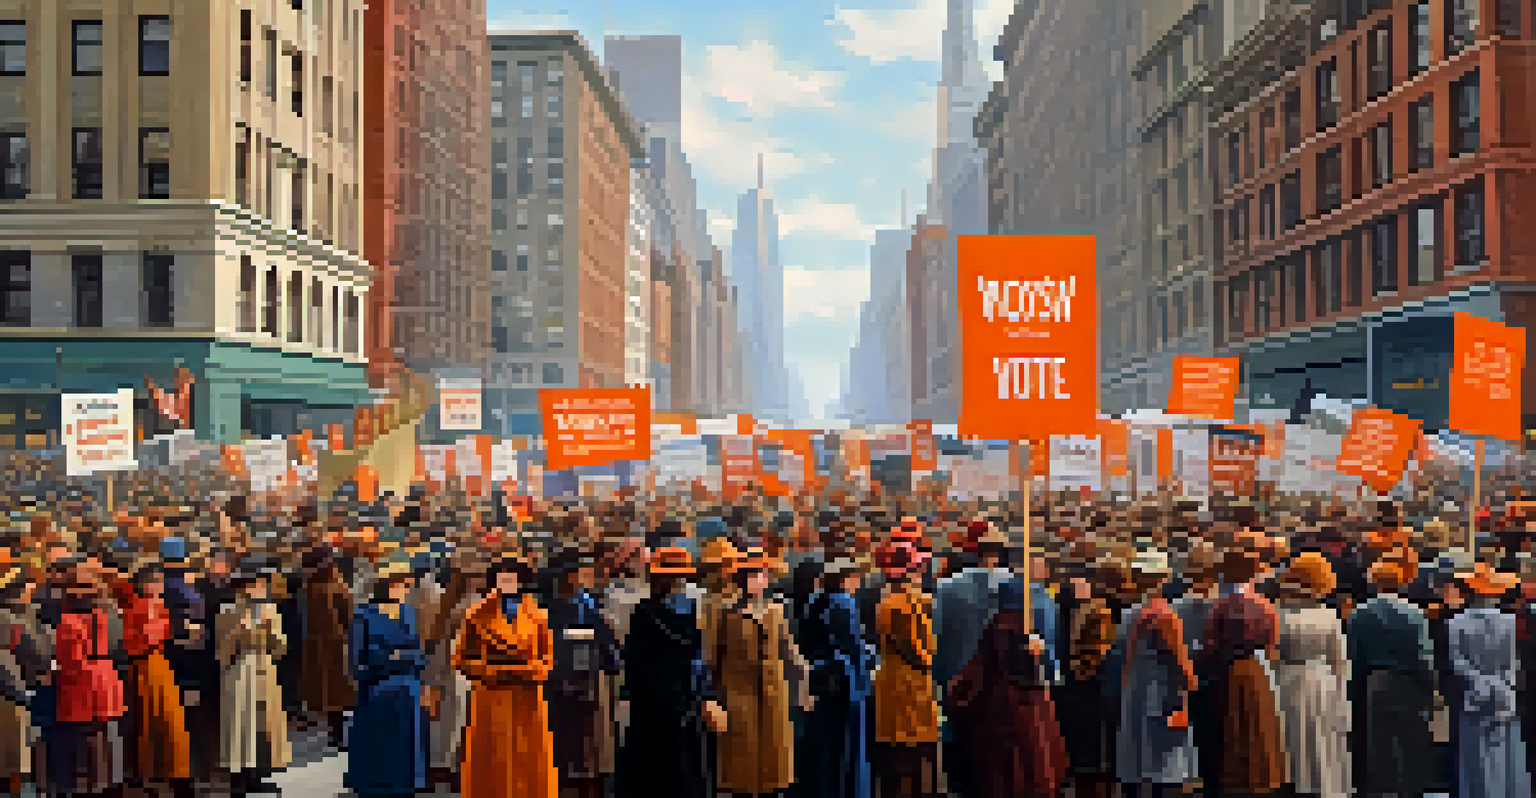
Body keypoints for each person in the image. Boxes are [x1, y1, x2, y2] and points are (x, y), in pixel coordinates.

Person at [945, 576, 1067, 798]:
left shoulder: (1000, 628)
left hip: (1004, 724)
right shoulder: (1026, 631)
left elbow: (971, 682)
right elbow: (1052, 675)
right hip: (1030, 720)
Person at [615, 546, 721, 798]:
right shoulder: (694, 610)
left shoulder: (643, 611)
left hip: (651, 701)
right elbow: (699, 655)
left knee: (652, 767)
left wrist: (628, 692)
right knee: (683, 764)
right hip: (681, 697)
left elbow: (633, 659)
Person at [453, 550, 557, 798]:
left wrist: (532, 671)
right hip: (492, 697)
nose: (508, 583)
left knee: (528, 760)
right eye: (503, 578)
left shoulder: (537, 616)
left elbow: (548, 658)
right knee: (492, 761)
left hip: (526, 699)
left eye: (513, 578)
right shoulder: (476, 615)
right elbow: (461, 659)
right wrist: (492, 672)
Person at [707, 546, 809, 797]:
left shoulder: (776, 611)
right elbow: (712, 658)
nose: (759, 580)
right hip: (737, 699)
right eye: (753, 575)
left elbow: (791, 654)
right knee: (741, 770)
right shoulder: (725, 613)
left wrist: (802, 690)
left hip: (774, 699)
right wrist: (711, 696)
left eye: (762, 575)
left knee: (774, 771)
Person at [1347, 558, 1437, 797]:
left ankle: (1381, 789)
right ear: (1402, 583)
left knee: (1379, 743)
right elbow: (1423, 655)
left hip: (1374, 682)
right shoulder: (1415, 613)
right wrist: (1431, 689)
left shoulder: (1360, 613)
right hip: (1410, 681)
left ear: (1373, 582)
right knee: (1413, 740)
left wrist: (1354, 691)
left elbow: (1354, 657)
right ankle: (1413, 789)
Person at [1203, 538, 1285, 796]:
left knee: (1233, 728)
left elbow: (1209, 644)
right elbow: (1274, 646)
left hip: (1229, 670)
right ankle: (1262, 778)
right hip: (1258, 669)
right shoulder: (1265, 606)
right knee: (1260, 728)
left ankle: (1235, 778)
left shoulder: (1221, 605)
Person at [1116, 549, 1198, 798]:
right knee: (1166, 765)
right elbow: (1180, 661)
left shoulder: (1129, 613)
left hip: (1134, 688)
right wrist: (1192, 686)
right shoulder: (1164, 614)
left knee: (1138, 760)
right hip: (1162, 693)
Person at [346, 556, 429, 798]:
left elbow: (418, 652)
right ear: (387, 584)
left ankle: (406, 786)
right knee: (378, 745)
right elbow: (357, 662)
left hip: (407, 688)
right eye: (401, 583)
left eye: (407, 584)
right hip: (377, 691)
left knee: (406, 744)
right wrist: (386, 661)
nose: (406, 589)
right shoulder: (364, 615)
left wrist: (402, 659)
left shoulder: (408, 613)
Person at [1448, 562, 1531, 798]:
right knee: (1506, 751)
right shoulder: (1510, 621)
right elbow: (1513, 661)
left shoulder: (1455, 623)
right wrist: (1502, 685)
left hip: (1474, 696)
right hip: (1504, 693)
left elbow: (1459, 663)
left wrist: (1480, 684)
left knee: (1476, 752)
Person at [1271, 551, 1351, 798]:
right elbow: (1339, 661)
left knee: (1292, 738)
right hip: (1321, 681)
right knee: (1322, 740)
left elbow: (1272, 657)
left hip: (1286, 680)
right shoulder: (1329, 616)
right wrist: (1343, 699)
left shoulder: (1277, 616)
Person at [546, 546, 621, 798]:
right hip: (563, 687)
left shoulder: (584, 604)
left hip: (580, 685)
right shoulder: (559, 608)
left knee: (580, 753)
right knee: (568, 752)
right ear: (569, 575)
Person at [800, 556, 875, 798]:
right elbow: (852, 646)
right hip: (844, 680)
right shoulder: (843, 602)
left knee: (825, 745)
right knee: (846, 746)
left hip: (819, 678)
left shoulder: (814, 601)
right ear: (847, 578)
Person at [51, 555, 125, 796]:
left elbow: (70, 661)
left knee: (84, 735)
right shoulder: (104, 617)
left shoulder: (68, 622)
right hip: (106, 675)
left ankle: (87, 784)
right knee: (102, 732)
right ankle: (105, 782)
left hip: (82, 681)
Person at [215, 561, 291, 794]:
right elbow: (221, 652)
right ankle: (237, 779)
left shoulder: (270, 610)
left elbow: (280, 647)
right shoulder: (227, 611)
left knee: (263, 723)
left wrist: (270, 632)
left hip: (264, 667)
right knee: (240, 722)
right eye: (255, 584)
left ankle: (258, 775)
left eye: (261, 584)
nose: (260, 588)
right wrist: (238, 630)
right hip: (239, 668)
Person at [872, 542, 939, 798]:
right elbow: (911, 649)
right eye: (917, 566)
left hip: (909, 688)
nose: (922, 571)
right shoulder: (897, 605)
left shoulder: (906, 599)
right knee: (905, 762)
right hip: (905, 690)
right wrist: (932, 660)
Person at [120, 561, 192, 795]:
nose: (160, 585)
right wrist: (167, 626)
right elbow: (145, 638)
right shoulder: (143, 606)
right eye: (156, 581)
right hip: (148, 666)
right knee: (158, 720)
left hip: (155, 664)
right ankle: (164, 774)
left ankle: (163, 773)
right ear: (145, 584)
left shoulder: (150, 605)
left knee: (160, 721)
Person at [299, 544, 355, 751]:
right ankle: (341, 736)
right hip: (337, 646)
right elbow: (348, 616)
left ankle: (335, 734)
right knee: (341, 694)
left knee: (328, 694)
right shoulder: (335, 586)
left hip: (315, 647)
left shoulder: (308, 588)